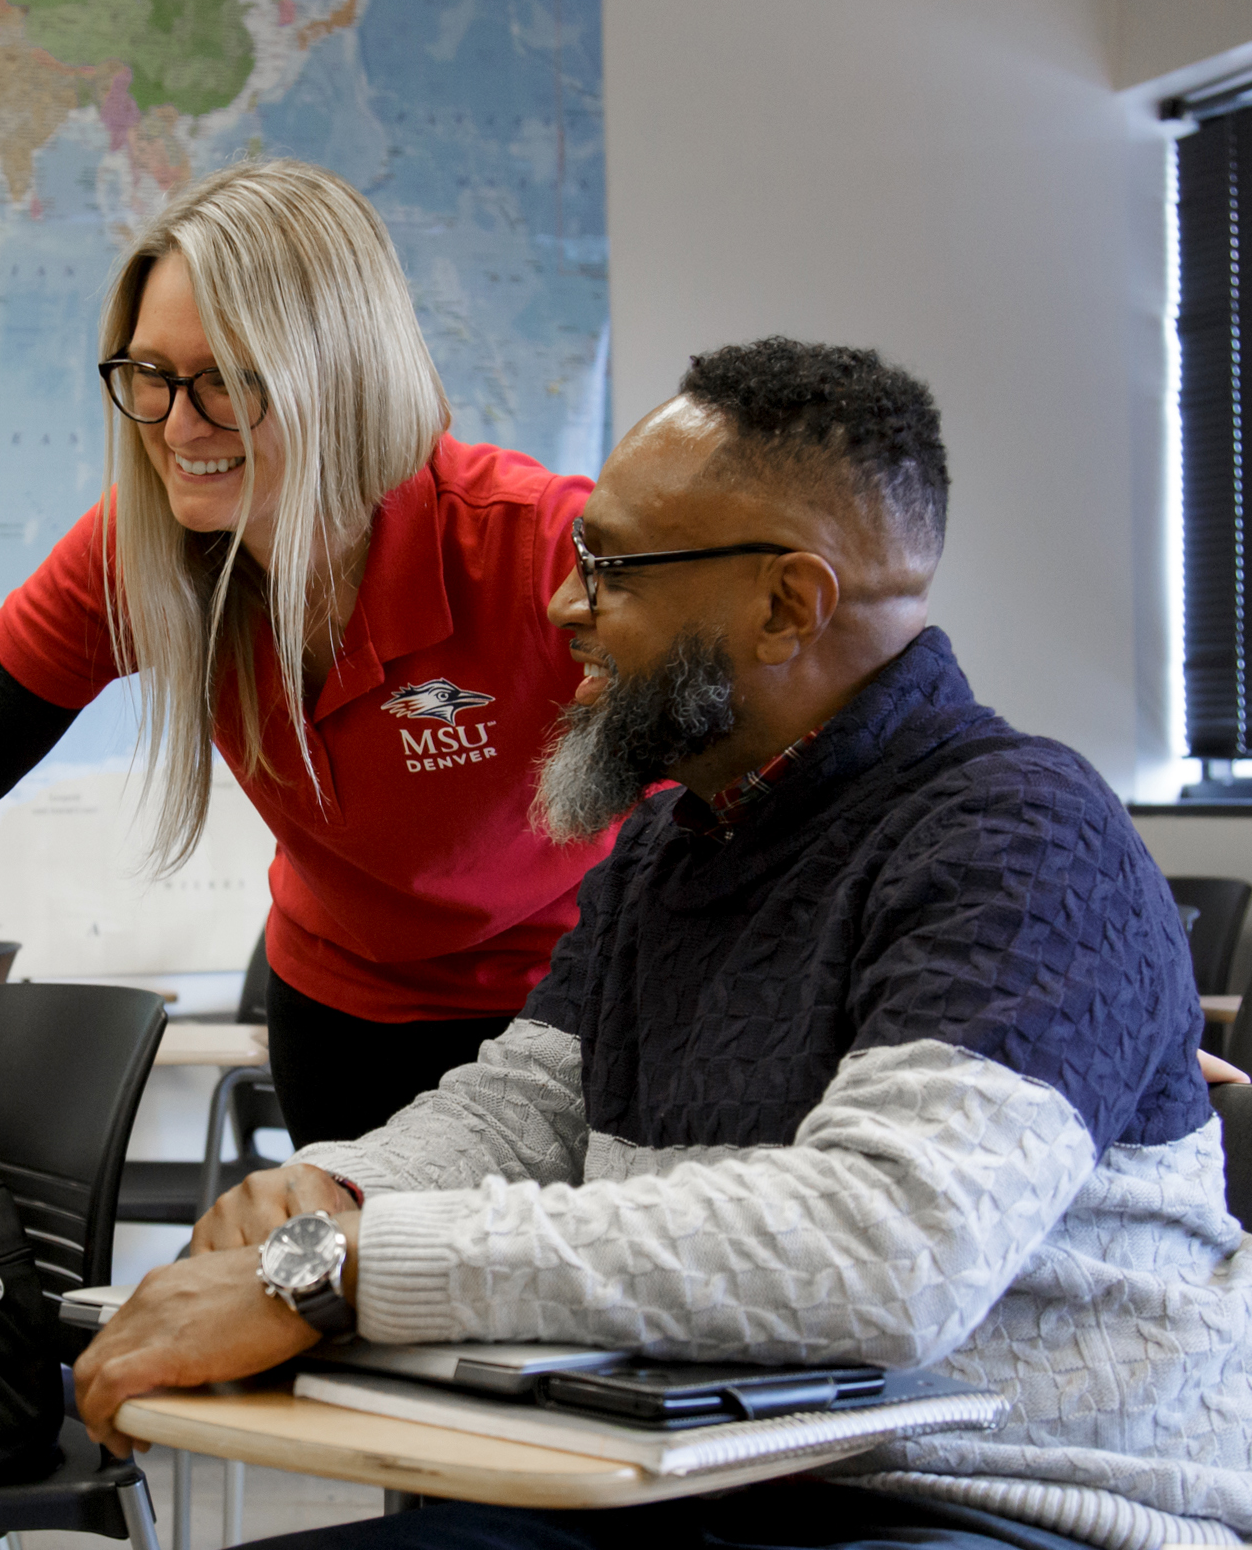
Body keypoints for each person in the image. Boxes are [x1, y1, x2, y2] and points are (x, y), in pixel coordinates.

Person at [72, 339, 1252, 1550]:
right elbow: (526, 1108)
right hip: (706, 1482)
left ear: (786, 603)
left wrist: (336, 1270)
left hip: (990, 1511)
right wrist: (331, 1194)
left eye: (610, 568)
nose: (561, 605)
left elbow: (885, 1250)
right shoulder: (678, 837)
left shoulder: (1020, 839)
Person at [0, 159, 613, 1145]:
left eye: (225, 384)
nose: (177, 425)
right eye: (149, 377)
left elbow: (748, 791)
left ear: (341, 376)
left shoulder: (539, 548)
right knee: (352, 1293)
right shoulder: (141, 553)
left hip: (564, 1006)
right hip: (343, 1016)